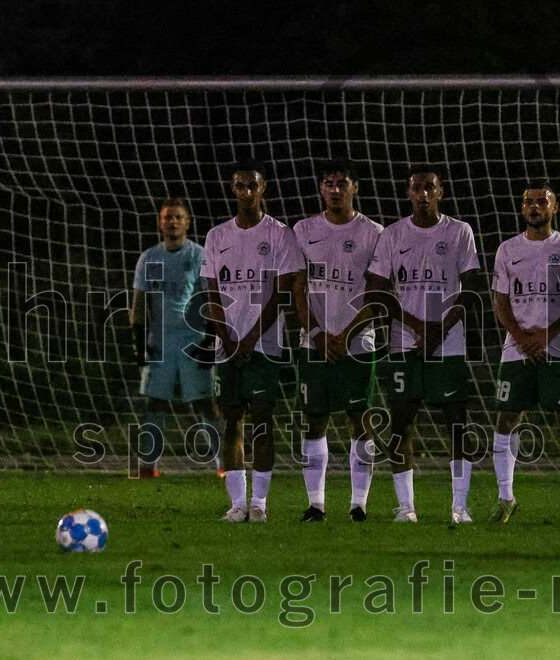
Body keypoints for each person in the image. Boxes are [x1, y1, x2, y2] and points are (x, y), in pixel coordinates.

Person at [365, 164, 482, 523]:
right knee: (401, 422)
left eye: (429, 187)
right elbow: (377, 291)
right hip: (405, 343)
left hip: (449, 344)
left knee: (456, 422)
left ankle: (460, 505)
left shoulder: (460, 231)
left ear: (440, 192)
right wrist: (419, 327)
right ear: (408, 193)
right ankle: (406, 506)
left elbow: (472, 286)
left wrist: (440, 329)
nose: (423, 194)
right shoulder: (392, 235)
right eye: (416, 188)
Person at [201, 160, 302, 522]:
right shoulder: (216, 236)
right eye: (240, 185)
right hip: (227, 346)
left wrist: (249, 339)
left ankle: (259, 503)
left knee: (262, 421)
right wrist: (227, 340)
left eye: (252, 186)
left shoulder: (279, 234)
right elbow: (211, 294)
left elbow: (282, 292)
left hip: (264, 346)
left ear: (263, 189)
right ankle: (237, 504)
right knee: (231, 422)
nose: (246, 192)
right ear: (232, 189)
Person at [488, 184, 560, 524]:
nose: (534, 207)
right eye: (528, 202)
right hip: (516, 348)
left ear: (555, 207)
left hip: (559, 348)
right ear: (522, 209)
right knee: (506, 418)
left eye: (541, 202)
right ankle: (505, 497)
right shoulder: (507, 250)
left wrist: (546, 334)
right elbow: (500, 301)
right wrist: (520, 336)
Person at [292, 158, 383, 522]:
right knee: (315, 420)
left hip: (359, 342)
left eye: (341, 182)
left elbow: (378, 293)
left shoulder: (374, 232)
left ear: (354, 187)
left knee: (360, 419)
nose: (334, 190)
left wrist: (345, 335)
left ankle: (359, 503)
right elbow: (298, 290)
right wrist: (316, 333)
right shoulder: (302, 230)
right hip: (313, 342)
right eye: (328, 183)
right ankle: (316, 504)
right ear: (320, 188)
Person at [130, 196, 220, 478]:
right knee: (154, 402)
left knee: (205, 403)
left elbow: (211, 298)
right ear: (160, 222)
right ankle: (148, 467)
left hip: (193, 340)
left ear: (187, 223)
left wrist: (211, 338)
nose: (172, 222)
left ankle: (224, 466)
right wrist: (138, 341)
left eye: (178, 217)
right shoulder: (149, 257)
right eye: (167, 217)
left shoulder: (199, 255)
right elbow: (138, 303)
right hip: (159, 343)